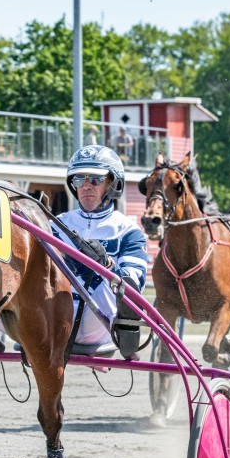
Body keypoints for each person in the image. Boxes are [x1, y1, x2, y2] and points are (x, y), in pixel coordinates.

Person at [53, 145, 149, 357]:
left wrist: (107, 265)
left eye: (95, 179)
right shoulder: (56, 224)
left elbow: (135, 281)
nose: (86, 186)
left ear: (112, 184)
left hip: (100, 322)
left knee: (108, 281)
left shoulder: (128, 231)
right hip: (53, 315)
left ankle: (126, 332)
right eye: (79, 180)